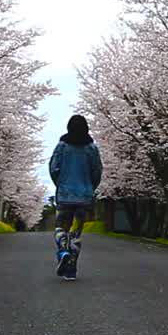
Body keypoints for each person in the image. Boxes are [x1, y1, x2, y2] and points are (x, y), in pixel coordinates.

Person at [48, 114, 102, 281]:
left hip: (65, 195)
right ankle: (71, 270)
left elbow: (53, 168)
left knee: (60, 228)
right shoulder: (92, 148)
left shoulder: (62, 146)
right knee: (76, 233)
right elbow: (97, 171)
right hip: (83, 197)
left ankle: (63, 250)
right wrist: (90, 187)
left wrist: (60, 184)